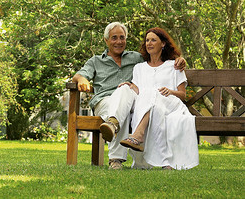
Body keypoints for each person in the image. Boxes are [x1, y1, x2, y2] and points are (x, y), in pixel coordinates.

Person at [72, 22, 185, 170]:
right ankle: (116, 158)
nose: (118, 41)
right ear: (106, 40)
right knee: (120, 109)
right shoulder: (96, 61)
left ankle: (113, 127)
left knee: (126, 90)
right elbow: (79, 75)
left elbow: (158, 61)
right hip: (105, 101)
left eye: (122, 37)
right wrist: (81, 79)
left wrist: (179, 59)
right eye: (114, 38)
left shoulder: (136, 58)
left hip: (132, 101)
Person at [119, 27, 199, 170]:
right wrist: (129, 86)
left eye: (153, 40)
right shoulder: (139, 68)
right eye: (147, 40)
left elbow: (182, 95)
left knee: (155, 93)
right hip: (149, 107)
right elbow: (137, 92)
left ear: (163, 44)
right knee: (150, 94)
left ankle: (138, 135)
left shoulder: (174, 65)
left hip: (171, 105)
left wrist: (170, 91)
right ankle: (164, 161)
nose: (149, 43)